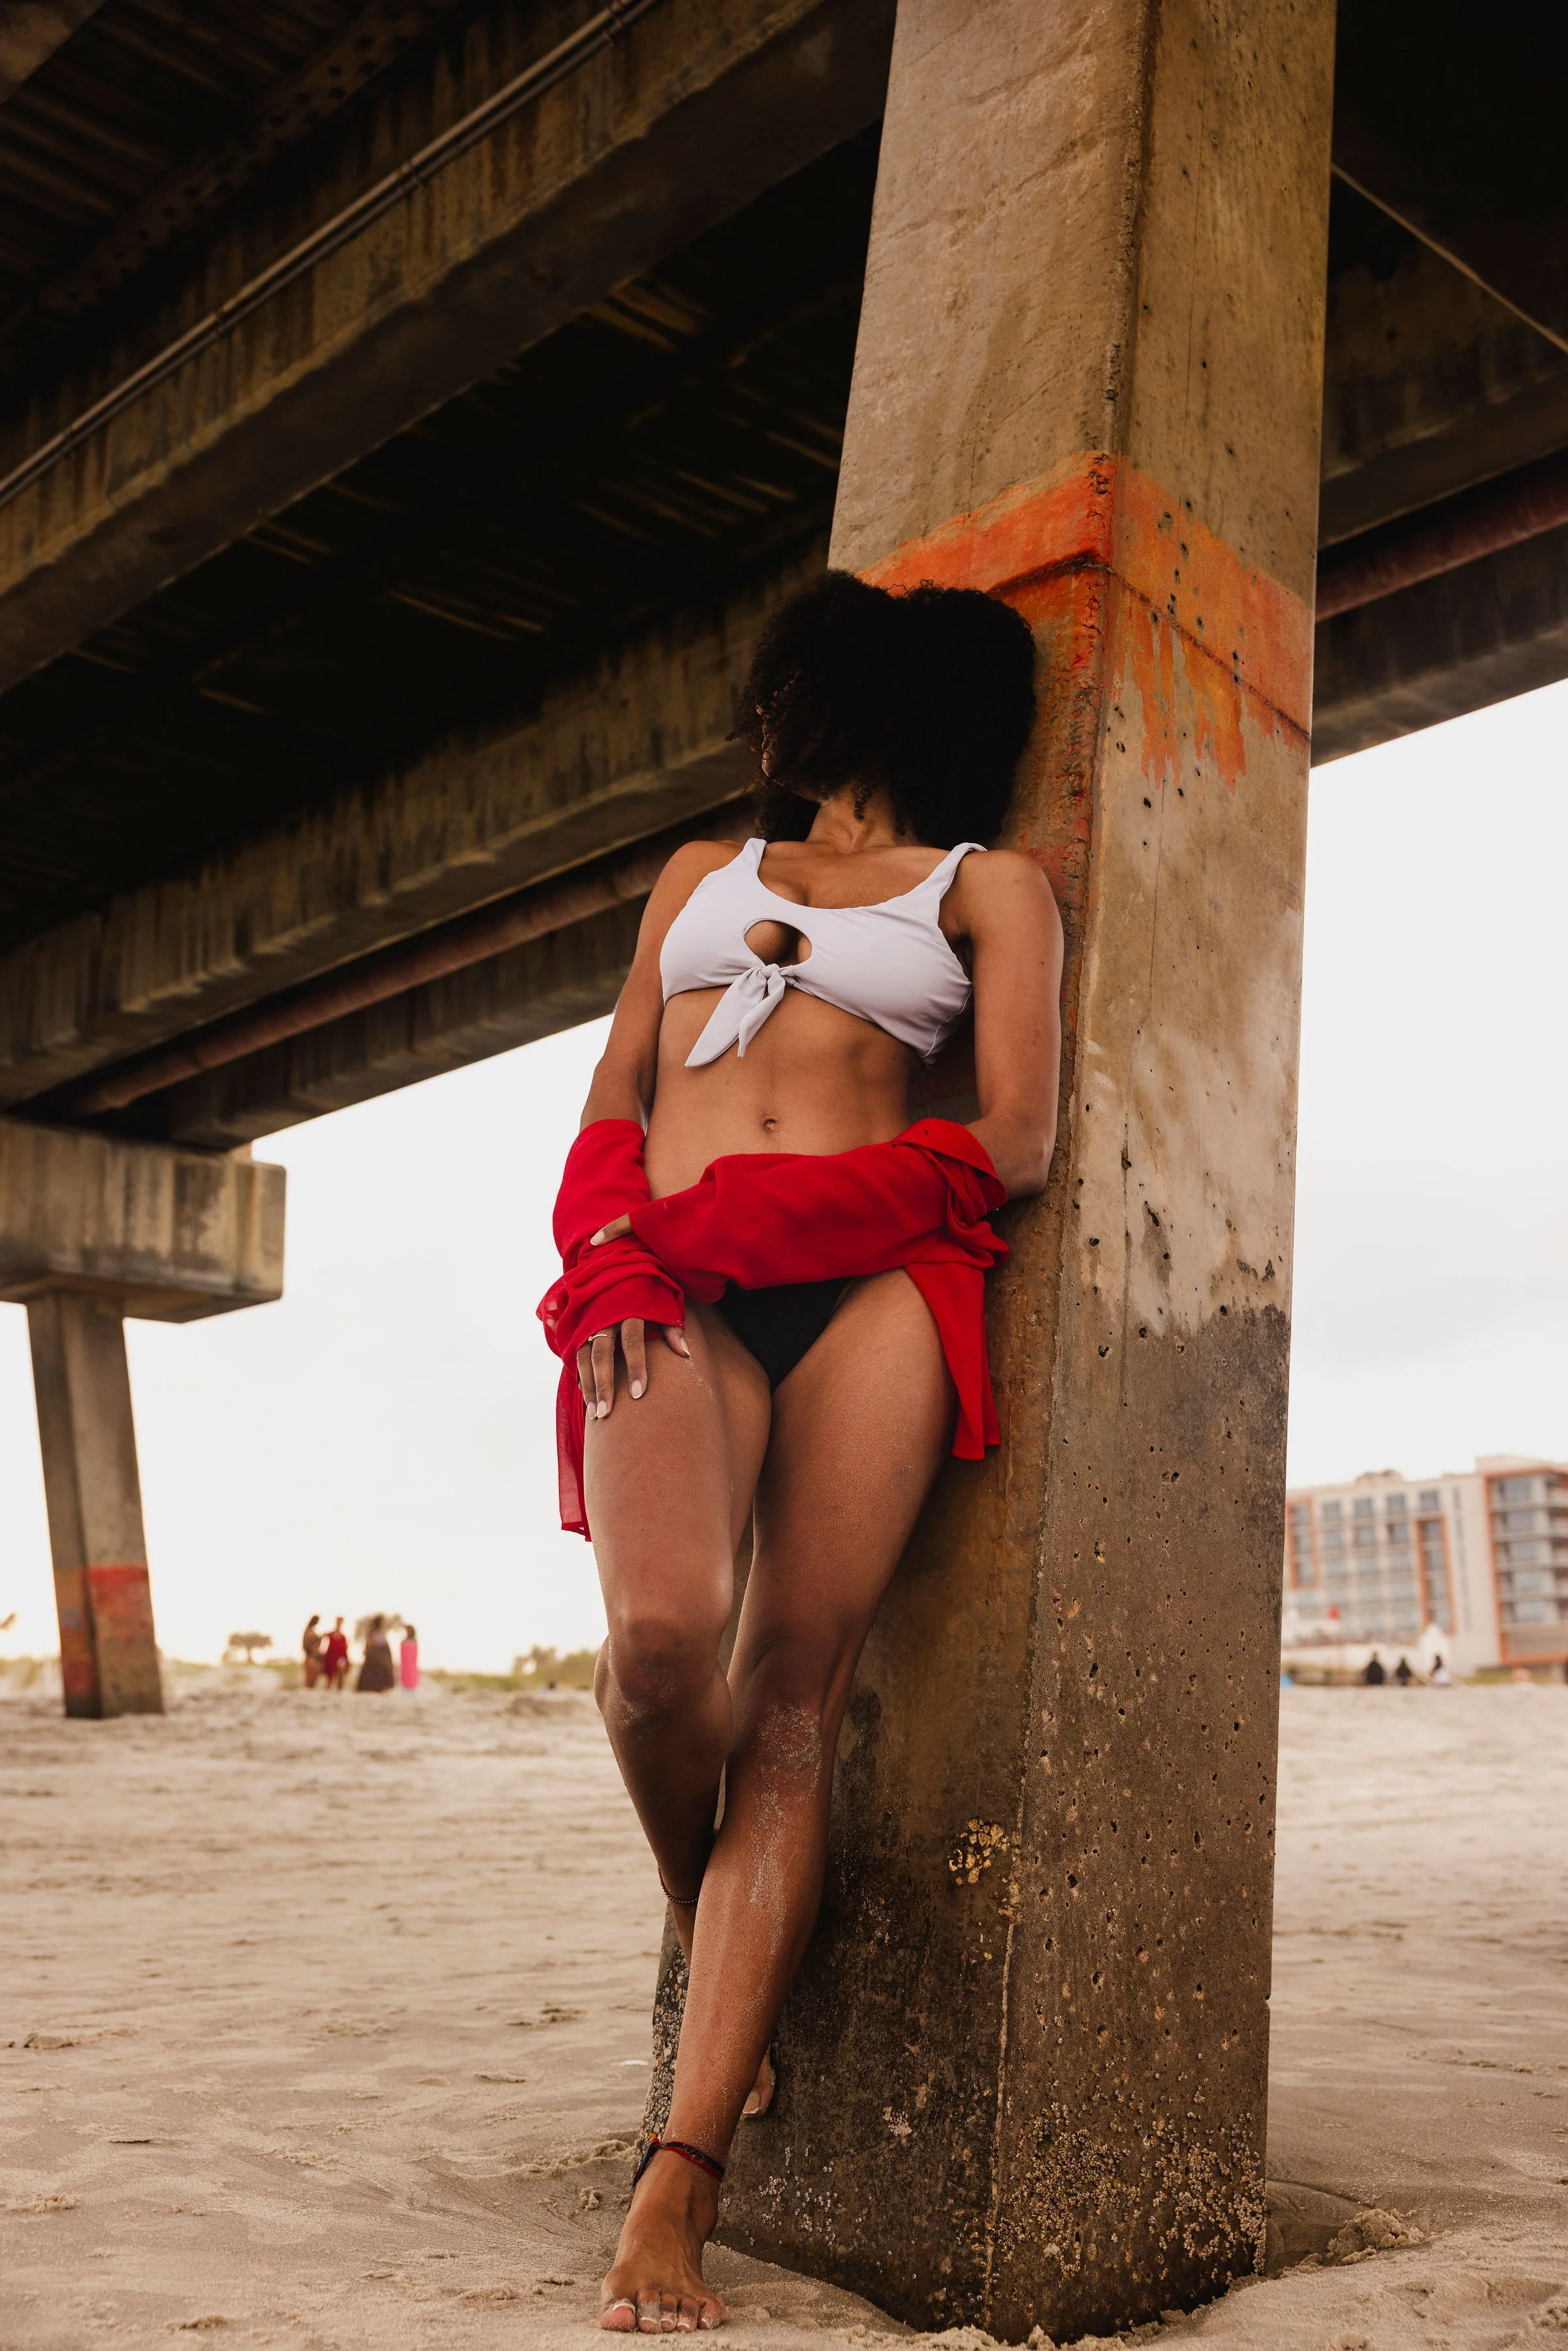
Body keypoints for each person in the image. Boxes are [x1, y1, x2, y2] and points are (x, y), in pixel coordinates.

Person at [536, 571, 1061, 2334]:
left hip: (874, 1290)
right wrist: (605, 1240)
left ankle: (677, 2194)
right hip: (670, 1281)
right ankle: (713, 1923)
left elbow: (1013, 1136)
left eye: (782, 694)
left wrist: (785, 1207)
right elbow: (618, 1091)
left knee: (783, 1706)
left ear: (853, 699)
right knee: (656, 1652)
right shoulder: (701, 880)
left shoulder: (989, 889)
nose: (759, 729)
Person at [356, 1614, 396, 1693]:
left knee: (384, 1670)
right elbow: (369, 1643)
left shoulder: (383, 1633)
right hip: (374, 1657)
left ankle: (382, 1688)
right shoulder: (372, 1633)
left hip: (382, 1657)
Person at [321, 1616, 349, 1691]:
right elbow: (322, 1641)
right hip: (331, 1656)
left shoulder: (343, 1637)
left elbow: (345, 1649)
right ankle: (328, 1690)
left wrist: (347, 1659)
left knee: (341, 1673)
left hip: (340, 1657)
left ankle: (339, 1691)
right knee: (329, 1677)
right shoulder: (330, 1634)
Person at [301, 1614, 323, 1690]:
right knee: (309, 1681)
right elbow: (306, 1645)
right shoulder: (308, 1631)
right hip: (310, 1657)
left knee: (314, 1680)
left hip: (315, 1657)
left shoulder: (311, 1631)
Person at [400, 1623, 420, 1691]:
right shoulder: (406, 1642)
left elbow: (415, 1656)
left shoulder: (413, 1642)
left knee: (411, 1682)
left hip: (411, 1665)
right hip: (405, 1665)